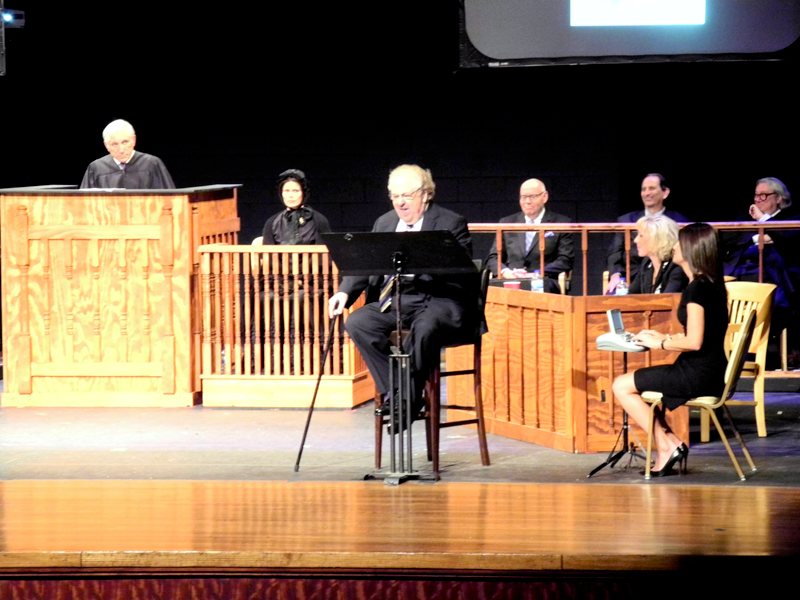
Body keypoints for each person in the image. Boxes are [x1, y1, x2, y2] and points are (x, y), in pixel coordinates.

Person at [328, 164, 478, 421]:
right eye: (395, 196)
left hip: (439, 298)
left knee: (426, 325)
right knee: (358, 322)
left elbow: (463, 271)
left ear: (426, 194)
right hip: (398, 299)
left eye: (406, 196)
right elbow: (367, 263)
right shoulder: (385, 222)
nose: (400, 203)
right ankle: (402, 393)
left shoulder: (450, 222)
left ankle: (402, 399)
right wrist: (343, 292)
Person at [612, 223, 729, 476]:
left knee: (621, 385)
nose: (674, 246)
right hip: (709, 370)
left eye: (679, 242)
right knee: (627, 384)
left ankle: (666, 445)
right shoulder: (711, 284)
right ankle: (670, 443)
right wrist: (664, 335)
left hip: (698, 375)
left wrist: (660, 343)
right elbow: (702, 335)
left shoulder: (696, 289)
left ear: (690, 249)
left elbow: (695, 342)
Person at [485, 178, 574, 293]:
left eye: (532, 196)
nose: (527, 201)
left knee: (539, 287)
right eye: (523, 197)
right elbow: (493, 258)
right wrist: (506, 272)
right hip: (511, 279)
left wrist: (537, 273)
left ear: (545, 197)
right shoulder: (506, 222)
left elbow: (566, 260)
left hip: (543, 279)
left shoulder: (561, 223)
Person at [606, 174, 688, 294]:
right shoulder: (626, 220)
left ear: (665, 193)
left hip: (665, 273)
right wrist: (615, 276)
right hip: (630, 277)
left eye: (651, 188)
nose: (646, 193)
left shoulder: (680, 221)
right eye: (643, 189)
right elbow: (615, 253)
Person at [80, 119, 175, 189]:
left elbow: (170, 199)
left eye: (125, 142)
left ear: (133, 140)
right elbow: (85, 203)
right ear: (106, 145)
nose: (121, 150)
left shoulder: (152, 164)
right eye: (115, 144)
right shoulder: (96, 168)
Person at [260, 169, 331, 245]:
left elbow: (326, 253)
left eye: (295, 191)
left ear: (303, 193)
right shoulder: (272, 222)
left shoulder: (319, 221)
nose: (291, 196)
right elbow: (267, 254)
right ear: (281, 194)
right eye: (287, 191)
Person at [628, 215, 688, 294]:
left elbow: (667, 301)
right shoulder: (647, 263)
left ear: (657, 240)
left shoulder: (676, 267)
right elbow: (631, 295)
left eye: (641, 235)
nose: (635, 240)